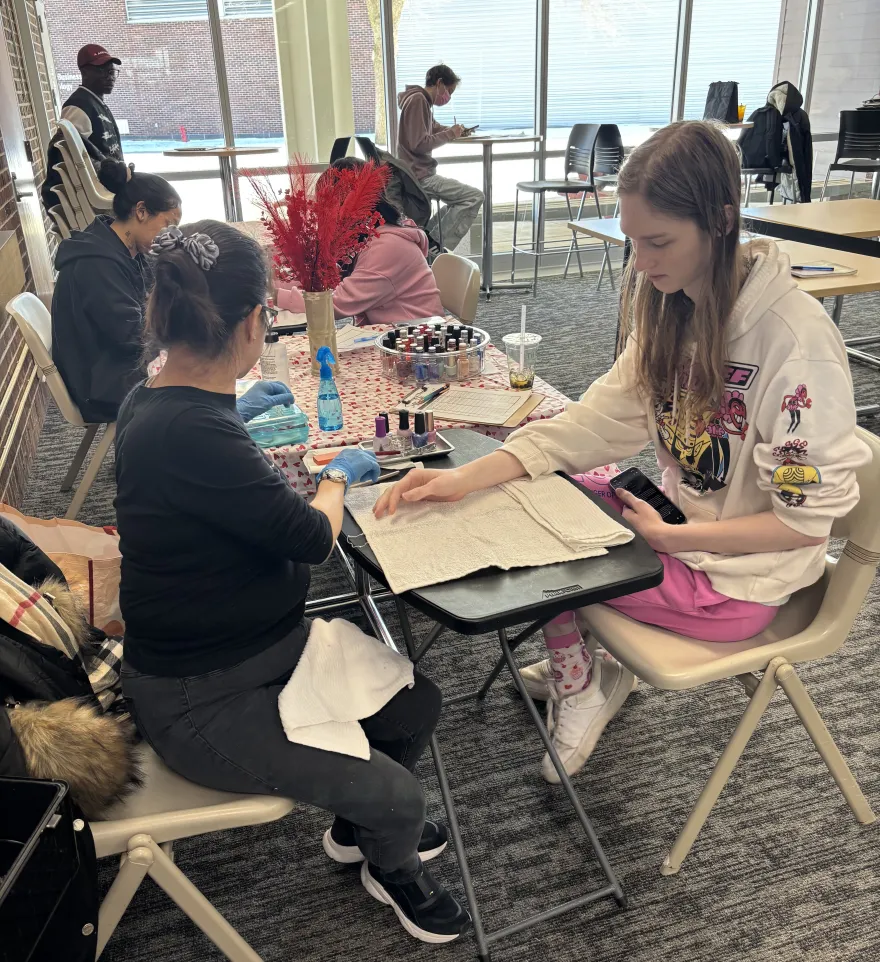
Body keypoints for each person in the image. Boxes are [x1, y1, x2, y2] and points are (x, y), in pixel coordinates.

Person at [374, 121, 870, 782]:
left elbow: (805, 522)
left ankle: (584, 684)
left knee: (541, 557)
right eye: (634, 240)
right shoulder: (675, 309)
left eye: (658, 242)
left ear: (722, 221)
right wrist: (467, 479)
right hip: (680, 532)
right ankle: (588, 670)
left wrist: (670, 539)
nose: (641, 262)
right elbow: (586, 428)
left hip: (738, 581)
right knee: (525, 497)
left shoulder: (793, 342)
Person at [114, 220, 471, 944]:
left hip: (260, 649)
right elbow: (312, 537)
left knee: (413, 708)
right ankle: (392, 864)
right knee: (400, 797)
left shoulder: (158, 398)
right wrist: (339, 472)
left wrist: (244, 424)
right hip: (199, 697)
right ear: (254, 323)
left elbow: (212, 475)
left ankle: (356, 830)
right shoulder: (193, 431)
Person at [51, 160, 181, 424]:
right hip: (100, 382)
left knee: (200, 359)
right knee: (199, 376)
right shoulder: (96, 263)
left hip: (111, 365)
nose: (170, 235)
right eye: (167, 224)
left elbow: (154, 303)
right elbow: (132, 334)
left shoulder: (124, 250)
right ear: (141, 211)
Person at [275, 158, 444, 325]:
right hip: (390, 332)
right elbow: (325, 282)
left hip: (415, 340)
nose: (321, 214)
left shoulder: (387, 247)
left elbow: (337, 304)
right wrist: (281, 284)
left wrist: (277, 296)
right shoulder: (368, 237)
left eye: (325, 205)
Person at [397, 64, 483, 253]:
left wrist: (455, 131)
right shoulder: (418, 100)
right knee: (474, 197)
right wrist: (450, 134)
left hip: (416, 173)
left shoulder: (421, 101)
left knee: (461, 200)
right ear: (440, 83)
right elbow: (419, 143)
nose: (448, 97)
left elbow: (433, 127)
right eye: (449, 91)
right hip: (419, 176)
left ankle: (427, 237)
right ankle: (435, 245)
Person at [42, 44, 125, 212]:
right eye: (103, 71)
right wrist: (108, 172)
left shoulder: (94, 101)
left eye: (112, 71)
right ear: (85, 72)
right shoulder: (79, 106)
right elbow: (70, 155)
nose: (110, 77)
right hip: (96, 198)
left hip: (108, 189)